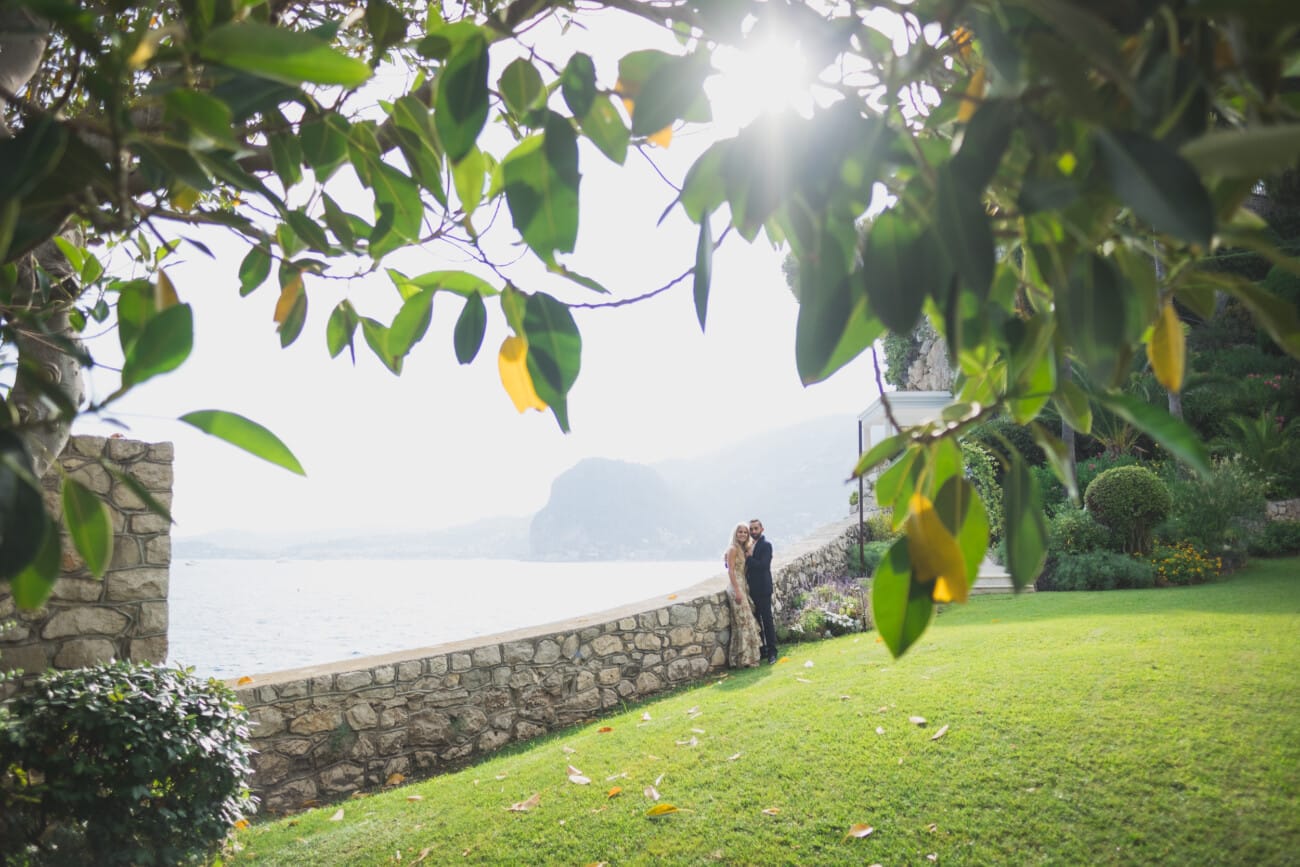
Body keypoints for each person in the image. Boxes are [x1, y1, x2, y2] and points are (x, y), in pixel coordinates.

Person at [724, 523, 762, 668]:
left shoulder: (741, 549)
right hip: (735, 588)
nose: (743, 534)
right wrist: (738, 591)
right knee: (743, 622)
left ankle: (747, 659)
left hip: (742, 586)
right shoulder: (733, 549)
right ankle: (744, 660)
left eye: (745, 532)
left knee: (745, 621)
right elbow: (731, 571)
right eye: (740, 532)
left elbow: (742, 570)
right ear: (735, 533)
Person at [745, 518, 778, 664]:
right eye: (751, 529)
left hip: (763, 589)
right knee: (757, 622)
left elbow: (764, 566)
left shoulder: (766, 545)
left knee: (767, 621)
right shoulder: (749, 545)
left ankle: (772, 651)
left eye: (755, 529)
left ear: (762, 529)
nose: (753, 531)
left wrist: (748, 559)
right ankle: (763, 649)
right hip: (751, 590)